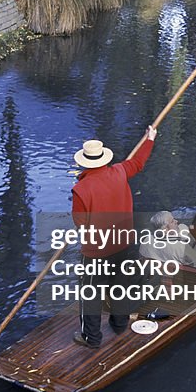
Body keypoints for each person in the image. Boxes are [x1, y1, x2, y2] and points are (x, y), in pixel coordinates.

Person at [71, 127, 157, 348]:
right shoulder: (119, 171)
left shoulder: (81, 189)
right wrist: (150, 139)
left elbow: (80, 222)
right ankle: (119, 324)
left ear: (85, 162)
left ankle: (91, 337)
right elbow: (138, 163)